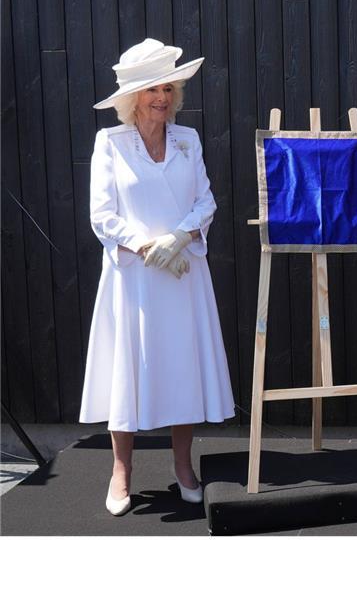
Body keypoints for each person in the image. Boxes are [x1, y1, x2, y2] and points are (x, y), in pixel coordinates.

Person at [80, 38, 235, 516]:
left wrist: (180, 238)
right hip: (135, 279)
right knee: (127, 370)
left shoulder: (188, 140)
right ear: (132, 98)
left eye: (167, 88)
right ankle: (121, 470)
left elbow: (205, 200)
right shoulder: (111, 143)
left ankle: (184, 467)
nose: (161, 98)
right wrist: (149, 245)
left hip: (183, 273)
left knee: (181, 367)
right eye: (152, 90)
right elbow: (102, 214)